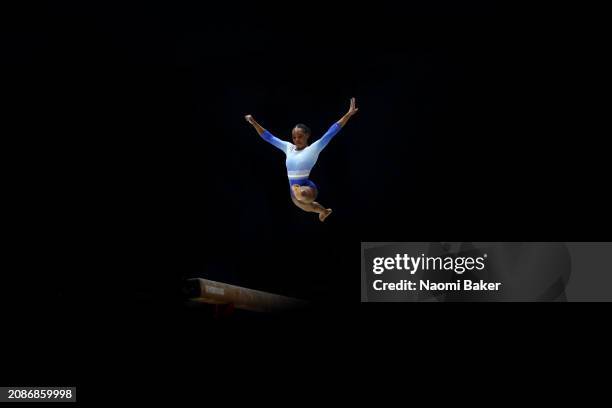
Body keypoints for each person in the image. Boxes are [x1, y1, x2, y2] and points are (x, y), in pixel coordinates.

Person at [245, 98, 358, 221]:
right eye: (294, 137)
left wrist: (349, 114)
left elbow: (332, 131)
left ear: (307, 136)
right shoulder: (288, 147)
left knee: (304, 196)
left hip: (307, 188)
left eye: (300, 136)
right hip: (294, 189)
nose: (296, 139)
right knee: (307, 207)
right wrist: (254, 122)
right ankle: (324, 211)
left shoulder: (314, 148)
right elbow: (269, 137)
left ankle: (298, 191)